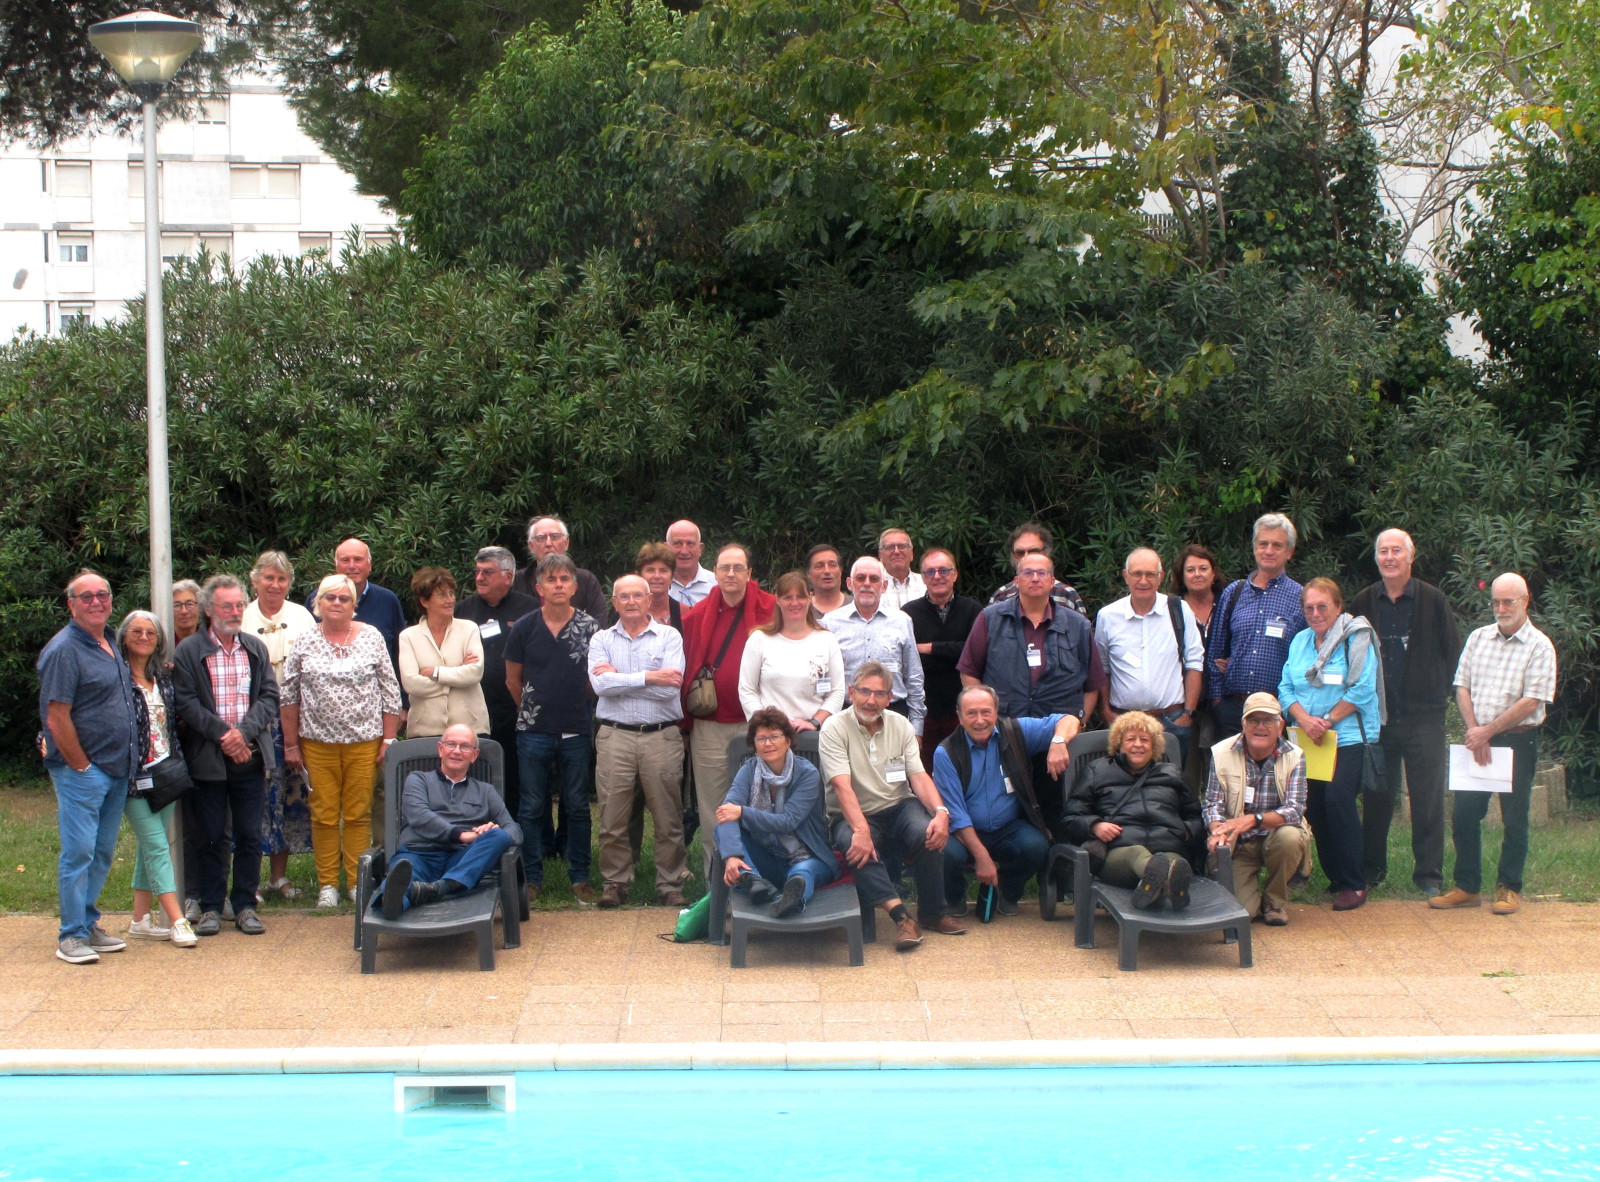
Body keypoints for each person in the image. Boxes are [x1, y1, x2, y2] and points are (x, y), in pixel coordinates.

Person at [1431, 573, 1558, 916]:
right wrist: (1476, 731)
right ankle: (1468, 886)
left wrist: (1488, 731)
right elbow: (1462, 686)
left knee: (1515, 818)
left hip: (1518, 741)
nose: (1501, 608)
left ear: (1525, 601)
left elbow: (1532, 701)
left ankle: (1509, 887)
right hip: (1477, 739)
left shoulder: (1540, 645)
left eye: (1508, 602)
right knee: (1464, 814)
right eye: (1496, 602)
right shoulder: (1477, 638)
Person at [1351, 529, 1462, 896]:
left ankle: (1429, 875)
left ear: (1410, 557)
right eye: (1383, 551)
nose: (1389, 557)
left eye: (1397, 550)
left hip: (1424, 717)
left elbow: (1452, 654)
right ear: (1376, 558)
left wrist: (1435, 694)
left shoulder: (1432, 599)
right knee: (1377, 796)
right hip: (1378, 718)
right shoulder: (1364, 601)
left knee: (1427, 798)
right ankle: (1372, 869)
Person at [820, 662, 962, 950]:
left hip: (898, 805)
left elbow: (919, 776)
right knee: (855, 844)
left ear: (890, 697)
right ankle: (902, 917)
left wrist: (941, 813)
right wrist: (860, 829)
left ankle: (933, 912)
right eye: (864, 692)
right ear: (851, 692)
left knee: (928, 832)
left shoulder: (901, 725)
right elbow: (841, 785)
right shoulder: (834, 727)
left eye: (879, 694)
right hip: (853, 811)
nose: (871, 701)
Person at [281, 573, 403, 908]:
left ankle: (355, 881)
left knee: (358, 813)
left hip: (365, 742)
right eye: (329, 598)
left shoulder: (372, 637)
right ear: (317, 603)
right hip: (316, 743)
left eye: (344, 598)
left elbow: (390, 691)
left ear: (354, 605)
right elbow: (288, 696)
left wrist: (389, 739)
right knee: (322, 814)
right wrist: (291, 745)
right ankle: (327, 886)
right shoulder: (304, 640)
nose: (336, 603)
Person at [38, 571, 140, 964]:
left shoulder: (110, 640)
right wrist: (80, 765)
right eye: (86, 597)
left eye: (103, 595)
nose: (96, 602)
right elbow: (56, 715)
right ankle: (71, 936)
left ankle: (88, 923)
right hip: (83, 771)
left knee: (100, 853)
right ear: (71, 604)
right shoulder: (64, 649)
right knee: (79, 852)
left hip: (116, 768)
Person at [172, 575, 279, 937]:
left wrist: (242, 734)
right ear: (208, 610)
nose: (234, 613)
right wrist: (223, 735)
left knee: (250, 835)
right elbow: (185, 702)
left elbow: (268, 696)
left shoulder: (255, 647)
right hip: (208, 759)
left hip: (249, 755)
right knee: (210, 836)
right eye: (226, 606)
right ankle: (212, 908)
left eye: (238, 606)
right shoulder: (188, 650)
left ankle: (246, 905)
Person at [1276, 577, 1383, 912]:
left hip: (1347, 739)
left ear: (1338, 607)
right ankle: (1336, 877)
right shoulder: (1299, 642)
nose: (1315, 613)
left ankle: (1355, 882)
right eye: (1309, 607)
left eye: (1323, 606)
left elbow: (1363, 689)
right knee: (1315, 808)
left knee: (1339, 801)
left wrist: (1327, 720)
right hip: (1307, 739)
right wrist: (1305, 720)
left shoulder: (1356, 638)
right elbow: (1284, 688)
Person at [503, 553, 600, 904]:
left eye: (564, 579)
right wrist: (531, 708)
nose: (558, 585)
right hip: (533, 730)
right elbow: (513, 680)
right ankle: (531, 876)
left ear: (574, 586)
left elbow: (596, 680)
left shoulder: (591, 628)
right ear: (538, 587)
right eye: (551, 579)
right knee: (531, 806)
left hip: (575, 727)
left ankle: (580, 876)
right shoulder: (525, 627)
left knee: (576, 805)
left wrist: (574, 703)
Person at [590, 574, 691, 908]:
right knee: (612, 817)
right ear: (614, 601)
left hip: (660, 735)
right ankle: (616, 883)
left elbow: (670, 688)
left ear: (650, 599)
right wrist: (649, 676)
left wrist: (618, 677)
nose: (631, 601)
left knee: (668, 816)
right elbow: (599, 687)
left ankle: (670, 883)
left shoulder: (669, 636)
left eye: (637, 595)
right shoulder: (601, 640)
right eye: (623, 596)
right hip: (614, 735)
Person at [932, 685, 1071, 917]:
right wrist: (982, 857)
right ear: (959, 716)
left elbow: (1068, 720)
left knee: (1037, 847)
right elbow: (955, 814)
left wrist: (1058, 742)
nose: (979, 720)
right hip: (963, 831)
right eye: (971, 713)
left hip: (1006, 828)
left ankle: (1006, 892)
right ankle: (955, 897)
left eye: (986, 712)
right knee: (943, 851)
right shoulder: (945, 752)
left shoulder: (1016, 732)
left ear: (997, 712)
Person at [682, 544, 776, 869]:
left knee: (760, 802)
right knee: (713, 805)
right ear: (715, 572)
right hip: (711, 727)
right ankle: (716, 879)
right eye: (725, 568)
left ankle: (761, 873)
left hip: (758, 725)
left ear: (750, 573)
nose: (731, 574)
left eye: (738, 567)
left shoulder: (772, 610)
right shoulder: (696, 616)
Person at [375, 725, 522, 918]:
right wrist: (460, 834)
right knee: (401, 877)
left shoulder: (485, 791)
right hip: (419, 854)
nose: (457, 751)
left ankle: (440, 888)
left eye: (465, 746)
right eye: (451, 744)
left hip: (461, 859)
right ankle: (393, 904)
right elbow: (419, 816)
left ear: (474, 755)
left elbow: (515, 831)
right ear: (440, 749)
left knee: (499, 836)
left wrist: (491, 830)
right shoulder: (418, 780)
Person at [1062, 710, 1203, 911]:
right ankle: (1164, 882)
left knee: (1174, 863)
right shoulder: (1097, 770)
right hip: (1119, 855)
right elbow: (1071, 818)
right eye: (1131, 739)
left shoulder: (1172, 774)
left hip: (1169, 846)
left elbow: (1195, 815)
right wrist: (1095, 825)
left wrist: (1187, 830)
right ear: (1118, 743)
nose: (1138, 744)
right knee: (1138, 854)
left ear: (1154, 745)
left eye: (1145, 739)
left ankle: (1155, 886)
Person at [116, 611, 198, 946]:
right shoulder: (116, 675)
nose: (144, 637)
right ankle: (178, 920)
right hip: (133, 773)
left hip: (166, 771)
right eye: (136, 631)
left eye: (150, 632)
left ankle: (139, 920)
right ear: (124, 636)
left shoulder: (164, 676)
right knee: (156, 846)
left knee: (149, 848)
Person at [715, 709, 839, 917]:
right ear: (754, 743)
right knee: (722, 825)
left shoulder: (807, 773)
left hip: (806, 855)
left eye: (774, 737)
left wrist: (742, 812)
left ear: (788, 740)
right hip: (767, 856)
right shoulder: (749, 769)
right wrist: (732, 856)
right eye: (761, 738)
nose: (768, 744)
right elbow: (727, 812)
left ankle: (792, 901)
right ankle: (752, 879)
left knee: (802, 874)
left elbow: (787, 822)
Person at [242, 551, 316, 902]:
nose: (275, 584)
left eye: (281, 578)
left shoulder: (302, 616)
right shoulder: (241, 616)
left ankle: (279, 877)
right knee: (255, 798)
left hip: (295, 719)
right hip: (253, 719)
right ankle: (249, 879)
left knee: (289, 798)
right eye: (268, 578)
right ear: (254, 580)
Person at [1203, 692, 1312, 926]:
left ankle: (1274, 901)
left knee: (1291, 837)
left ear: (1280, 725)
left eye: (1268, 720)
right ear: (1243, 723)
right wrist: (1219, 831)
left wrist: (1252, 820)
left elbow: (1295, 810)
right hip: (1239, 843)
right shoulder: (1220, 752)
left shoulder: (1296, 756)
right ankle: (1253, 900)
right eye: (1253, 720)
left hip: (1276, 836)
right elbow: (1212, 804)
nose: (1260, 727)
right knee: (1242, 914)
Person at [1095, 548, 1204, 762]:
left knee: (1168, 788)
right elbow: (1102, 668)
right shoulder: (1107, 616)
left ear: (1160, 577)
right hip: (1124, 721)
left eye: (1150, 574)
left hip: (1171, 720)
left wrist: (1188, 714)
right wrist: (1106, 712)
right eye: (1137, 574)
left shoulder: (1179, 610)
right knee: (1124, 785)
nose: (1143, 580)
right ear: (1125, 576)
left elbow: (1194, 664)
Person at [454, 546, 538, 819]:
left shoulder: (530, 608)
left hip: (515, 708)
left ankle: (518, 839)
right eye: (477, 572)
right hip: (474, 708)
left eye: (487, 572)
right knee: (477, 773)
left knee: (517, 777)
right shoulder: (463, 611)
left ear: (508, 576)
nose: (479, 577)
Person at [1209, 513, 1305, 739]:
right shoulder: (1234, 592)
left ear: (1289, 552)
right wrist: (1217, 701)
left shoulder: (1300, 598)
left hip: (1275, 711)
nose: (1269, 550)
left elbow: (1305, 658)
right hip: (1234, 709)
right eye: (1263, 544)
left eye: (1277, 545)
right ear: (1254, 548)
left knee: (1274, 775)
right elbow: (1215, 650)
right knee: (1230, 774)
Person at [823, 557, 925, 733]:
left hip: (893, 715)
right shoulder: (830, 623)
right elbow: (823, 676)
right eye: (861, 578)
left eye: (874, 579)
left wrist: (917, 728)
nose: (867, 584)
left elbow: (914, 677)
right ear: (849, 583)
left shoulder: (902, 621)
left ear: (884, 586)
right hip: (845, 716)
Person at [738, 570, 846, 732]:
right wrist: (766, 724)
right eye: (787, 597)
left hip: (814, 734)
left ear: (810, 598)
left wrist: (814, 723)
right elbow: (747, 690)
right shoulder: (759, 639)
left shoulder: (827, 640)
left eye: (801, 596)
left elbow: (837, 691)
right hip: (770, 734)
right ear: (778, 600)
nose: (795, 603)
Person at [902, 547, 981, 765]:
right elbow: (908, 660)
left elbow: (975, 651)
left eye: (944, 570)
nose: (937, 576)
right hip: (924, 710)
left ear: (955, 574)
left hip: (964, 708)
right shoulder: (908, 613)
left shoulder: (972, 609)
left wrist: (930, 648)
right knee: (924, 768)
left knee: (965, 766)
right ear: (923, 578)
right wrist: (954, 653)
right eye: (930, 572)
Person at [302, 538, 407, 689]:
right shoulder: (318, 599)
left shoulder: (388, 601)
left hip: (375, 701)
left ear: (369, 565)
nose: (352, 566)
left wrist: (403, 704)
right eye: (345, 560)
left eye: (358, 559)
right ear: (336, 565)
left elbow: (399, 655)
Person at [398, 567, 488, 737]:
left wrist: (436, 672)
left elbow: (475, 673)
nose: (450, 600)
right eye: (442, 595)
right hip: (424, 730)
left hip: (470, 728)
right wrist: (456, 676)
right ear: (424, 601)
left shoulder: (469, 629)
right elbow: (411, 683)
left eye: (451, 593)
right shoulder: (408, 636)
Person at [1169, 543, 1227, 789]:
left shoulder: (1228, 604)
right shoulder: (1171, 609)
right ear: (1182, 576)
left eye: (1203, 568)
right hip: (1184, 702)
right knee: (1187, 774)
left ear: (1214, 573)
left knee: (1223, 770)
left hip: (1222, 700)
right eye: (1190, 569)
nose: (1197, 574)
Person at [511, 515, 608, 621]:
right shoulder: (517, 581)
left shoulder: (586, 579)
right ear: (531, 546)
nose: (548, 543)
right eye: (541, 538)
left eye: (554, 536)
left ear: (566, 543)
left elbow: (599, 622)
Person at [988, 523, 1087, 616]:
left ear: (1047, 553)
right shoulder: (1001, 596)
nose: (1025, 557)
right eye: (1020, 553)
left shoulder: (1066, 595)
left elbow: (1081, 631)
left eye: (1033, 551)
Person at [666, 520, 716, 606]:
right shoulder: (654, 585)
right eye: (677, 543)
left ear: (700, 549)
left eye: (690, 543)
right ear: (666, 548)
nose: (684, 551)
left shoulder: (717, 585)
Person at [637, 541, 684, 632]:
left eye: (663, 570)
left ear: (672, 577)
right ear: (639, 576)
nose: (657, 576)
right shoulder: (624, 615)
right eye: (650, 570)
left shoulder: (686, 614)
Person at [878, 527, 926, 610]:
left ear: (911, 553)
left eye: (902, 546)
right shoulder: (872, 585)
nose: (896, 551)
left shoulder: (926, 583)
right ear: (880, 555)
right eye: (890, 547)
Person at [806, 544, 848, 616]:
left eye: (832, 565)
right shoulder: (801, 609)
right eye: (819, 566)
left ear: (840, 570)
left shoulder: (858, 607)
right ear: (808, 573)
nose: (827, 571)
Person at [171, 579, 202, 645]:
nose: (184, 611)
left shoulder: (211, 641)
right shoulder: (162, 645)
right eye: (177, 605)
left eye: (190, 604)